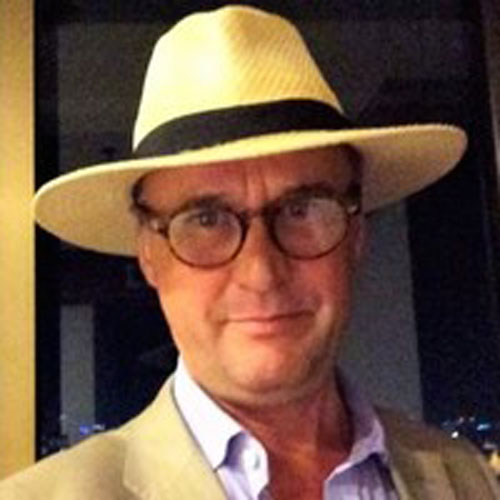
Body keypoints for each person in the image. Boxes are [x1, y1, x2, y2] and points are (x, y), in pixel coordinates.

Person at [1, 5, 499, 499]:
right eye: (206, 220)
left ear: (356, 236)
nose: (261, 272)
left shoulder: (468, 480)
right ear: (149, 255)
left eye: (301, 210)